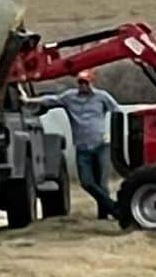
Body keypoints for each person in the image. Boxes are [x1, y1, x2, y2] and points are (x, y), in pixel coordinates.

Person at [26, 71, 120, 220]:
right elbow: (50, 100)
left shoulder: (102, 97)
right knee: (87, 182)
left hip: (101, 145)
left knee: (102, 183)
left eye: (86, 83)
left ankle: (104, 215)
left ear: (92, 83)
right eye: (81, 83)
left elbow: (117, 111)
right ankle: (115, 208)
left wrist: (114, 134)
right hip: (82, 147)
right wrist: (28, 101)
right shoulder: (70, 98)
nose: (83, 86)